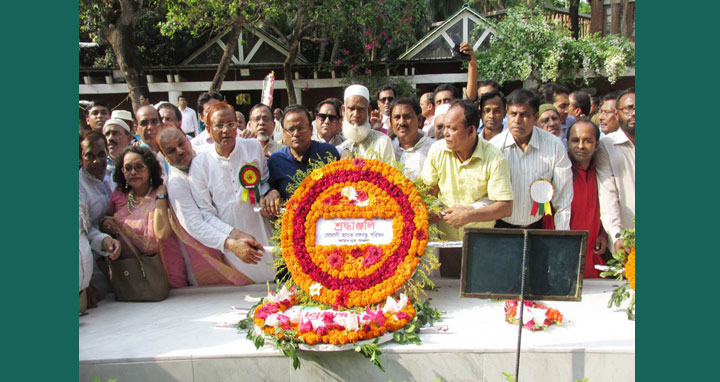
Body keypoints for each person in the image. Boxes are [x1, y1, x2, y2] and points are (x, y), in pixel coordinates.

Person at [190, 102, 280, 283]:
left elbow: (262, 181)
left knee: (275, 284)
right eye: (219, 125)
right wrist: (234, 239)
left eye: (231, 124)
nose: (226, 130)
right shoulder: (200, 164)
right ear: (208, 129)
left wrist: (269, 193)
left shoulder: (253, 147)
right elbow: (206, 213)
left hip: (261, 230)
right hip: (231, 242)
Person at [156, 128, 258, 285]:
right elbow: (195, 224)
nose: (180, 151)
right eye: (171, 150)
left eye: (181, 143)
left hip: (243, 229)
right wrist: (231, 242)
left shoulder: (207, 155)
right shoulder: (176, 183)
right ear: (165, 158)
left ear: (188, 139)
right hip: (210, 251)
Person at [422, 100, 514, 241]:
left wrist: (469, 215)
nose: (445, 133)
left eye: (452, 129)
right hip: (446, 239)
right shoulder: (437, 150)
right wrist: (430, 209)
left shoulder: (494, 158)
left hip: (481, 240)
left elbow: (505, 207)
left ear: (471, 130)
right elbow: (430, 191)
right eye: (444, 127)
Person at [101, 146, 189, 288]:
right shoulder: (117, 195)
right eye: (128, 168)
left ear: (150, 168)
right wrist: (106, 222)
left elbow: (162, 234)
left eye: (139, 167)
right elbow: (109, 223)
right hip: (133, 269)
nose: (133, 172)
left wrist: (160, 197)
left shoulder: (162, 192)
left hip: (167, 266)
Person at [489, 88, 573, 230]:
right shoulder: (494, 148)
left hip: (538, 227)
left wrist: (562, 237)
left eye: (524, 115)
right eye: (513, 114)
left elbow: (563, 199)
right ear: (506, 116)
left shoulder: (554, 146)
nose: (517, 120)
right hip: (500, 227)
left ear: (536, 118)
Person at [79, 131, 122, 305]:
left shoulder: (115, 176)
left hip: (125, 255)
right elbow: (82, 231)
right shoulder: (78, 187)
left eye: (101, 154)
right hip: (94, 263)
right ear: (81, 157)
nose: (96, 161)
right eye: (90, 156)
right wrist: (103, 240)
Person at [566, 119, 609, 278]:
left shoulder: (602, 172)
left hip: (593, 254)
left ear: (597, 145)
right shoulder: (559, 173)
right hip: (562, 254)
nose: (581, 146)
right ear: (567, 142)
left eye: (588, 141)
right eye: (575, 140)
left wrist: (604, 234)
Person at [268, 105, 339, 199]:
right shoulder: (276, 160)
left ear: (311, 130)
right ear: (284, 133)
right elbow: (269, 188)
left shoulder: (327, 152)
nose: (296, 134)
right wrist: (271, 192)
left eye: (301, 128)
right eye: (291, 129)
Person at [595, 88, 635, 254]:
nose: (634, 113)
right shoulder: (606, 146)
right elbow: (607, 194)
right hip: (626, 241)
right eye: (628, 108)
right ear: (618, 114)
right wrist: (616, 234)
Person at [337, 84, 395, 162]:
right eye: (351, 108)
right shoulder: (341, 147)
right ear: (343, 110)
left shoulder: (383, 142)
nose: (356, 114)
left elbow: (392, 173)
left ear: (369, 110)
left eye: (361, 109)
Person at [390, 97, 435, 180]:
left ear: (419, 119)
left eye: (407, 117)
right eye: (397, 117)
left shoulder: (433, 148)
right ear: (390, 121)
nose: (402, 122)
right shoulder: (388, 147)